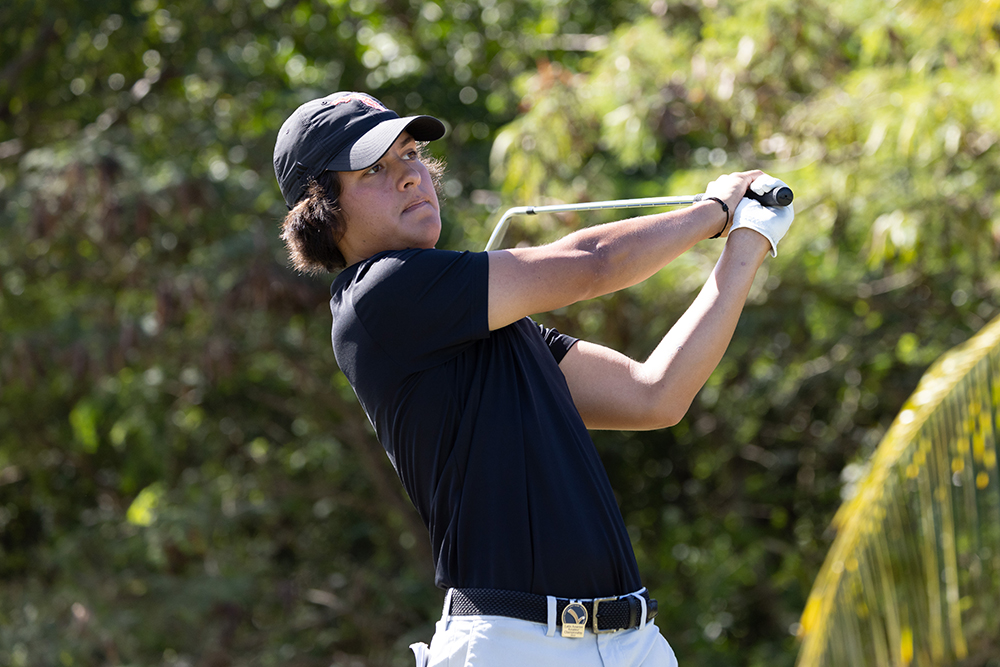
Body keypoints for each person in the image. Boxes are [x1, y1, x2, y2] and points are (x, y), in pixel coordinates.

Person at [272, 91, 794, 667]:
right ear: (321, 209)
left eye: (412, 154)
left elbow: (654, 395)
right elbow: (590, 263)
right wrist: (714, 212)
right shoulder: (379, 295)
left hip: (632, 640)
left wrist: (749, 241)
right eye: (375, 169)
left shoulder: (494, 327)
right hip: (513, 644)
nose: (410, 176)